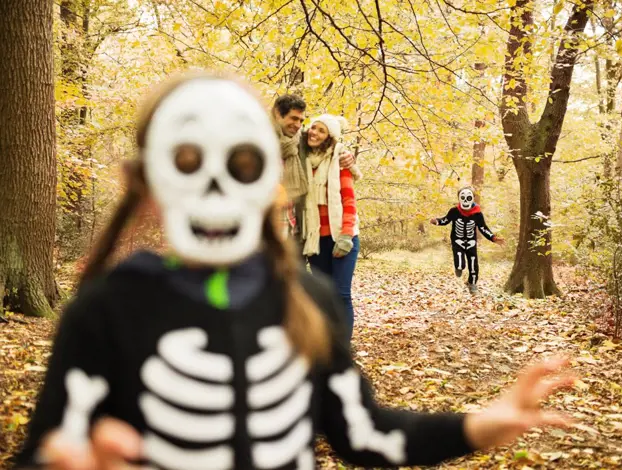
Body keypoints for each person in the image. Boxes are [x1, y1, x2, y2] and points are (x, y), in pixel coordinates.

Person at [13, 72, 575, 470]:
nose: (214, 187)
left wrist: (479, 426)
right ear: (147, 182)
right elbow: (46, 449)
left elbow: (363, 433)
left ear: (269, 182)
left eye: (241, 163)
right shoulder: (106, 309)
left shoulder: (306, 300)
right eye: (186, 161)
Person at [301, 114, 360, 341]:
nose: (314, 133)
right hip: (316, 240)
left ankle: (342, 348)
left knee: (341, 294)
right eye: (312, 128)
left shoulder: (339, 161)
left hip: (342, 236)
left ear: (330, 138)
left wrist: (346, 234)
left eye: (321, 130)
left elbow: (348, 200)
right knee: (322, 295)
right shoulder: (301, 159)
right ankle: (326, 344)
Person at [271, 95, 360, 244]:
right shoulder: (258, 142)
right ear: (277, 114)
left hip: (295, 232)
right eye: (293, 118)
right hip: (267, 231)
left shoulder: (300, 142)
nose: (298, 125)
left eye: (301, 120)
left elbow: (328, 148)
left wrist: (348, 157)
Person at [430, 187, 505, 294]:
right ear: (459, 198)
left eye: (469, 197)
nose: (465, 200)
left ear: (473, 198)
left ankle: (472, 283)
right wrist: (437, 221)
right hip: (457, 241)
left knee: (474, 264)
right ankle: (459, 267)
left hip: (471, 242)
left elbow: (483, 228)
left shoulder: (477, 214)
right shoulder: (454, 211)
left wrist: (493, 238)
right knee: (460, 264)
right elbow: (445, 220)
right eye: (463, 197)